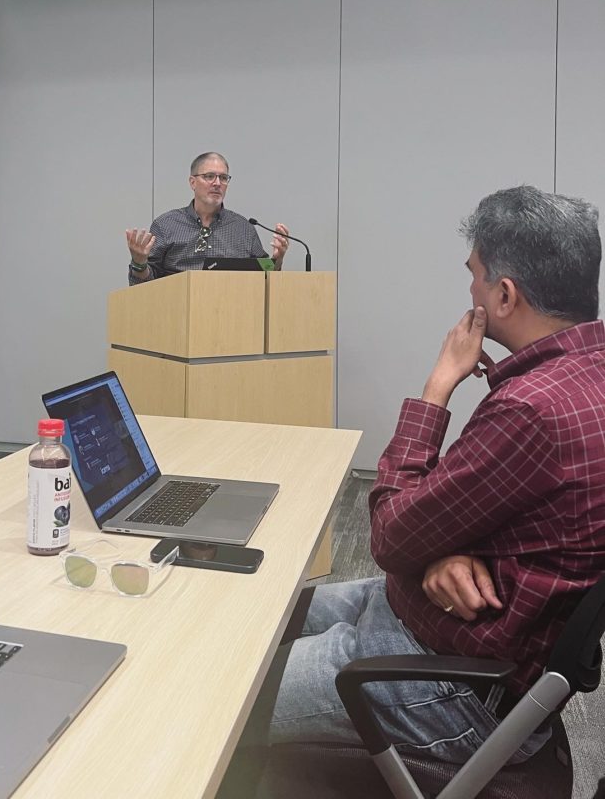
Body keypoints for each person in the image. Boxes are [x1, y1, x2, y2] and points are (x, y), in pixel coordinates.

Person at [225, 185, 605, 790]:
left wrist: (438, 385)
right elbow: (483, 513)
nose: (471, 291)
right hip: (423, 614)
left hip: (447, 682)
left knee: (218, 688)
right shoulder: (585, 377)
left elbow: (391, 533)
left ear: (505, 296)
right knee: (248, 614)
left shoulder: (534, 409)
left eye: (476, 277)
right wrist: (439, 548)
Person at [124, 152, 289, 285]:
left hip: (234, 314)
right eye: (210, 176)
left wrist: (277, 261)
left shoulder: (243, 228)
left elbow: (265, 280)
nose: (217, 183)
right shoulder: (166, 225)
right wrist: (139, 263)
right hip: (176, 313)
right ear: (192, 182)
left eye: (223, 178)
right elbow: (143, 286)